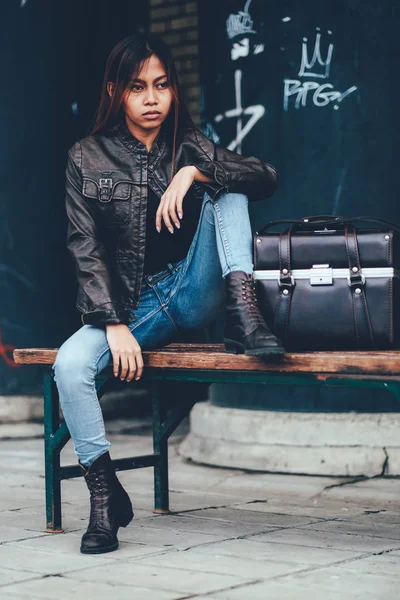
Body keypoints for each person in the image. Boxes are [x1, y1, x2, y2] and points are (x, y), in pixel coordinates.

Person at [52, 32, 283, 555]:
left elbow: (266, 176)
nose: (152, 98)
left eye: (161, 85)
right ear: (116, 91)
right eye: (137, 87)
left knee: (230, 192)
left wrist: (195, 171)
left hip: (192, 290)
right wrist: (113, 325)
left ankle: (243, 315)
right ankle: (106, 496)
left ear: (173, 89)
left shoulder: (188, 141)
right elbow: (83, 246)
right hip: (130, 310)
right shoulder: (86, 158)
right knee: (69, 365)